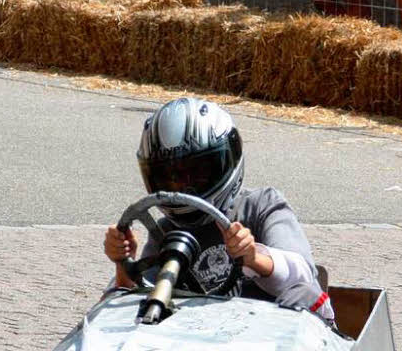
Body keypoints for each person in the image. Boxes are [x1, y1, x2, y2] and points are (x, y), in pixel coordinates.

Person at [103, 97, 334, 323]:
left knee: (303, 294)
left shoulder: (262, 205)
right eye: (170, 178)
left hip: (265, 344)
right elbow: (145, 298)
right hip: (193, 346)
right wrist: (123, 264)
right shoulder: (165, 232)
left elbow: (305, 275)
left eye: (197, 174)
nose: (183, 188)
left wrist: (254, 258)